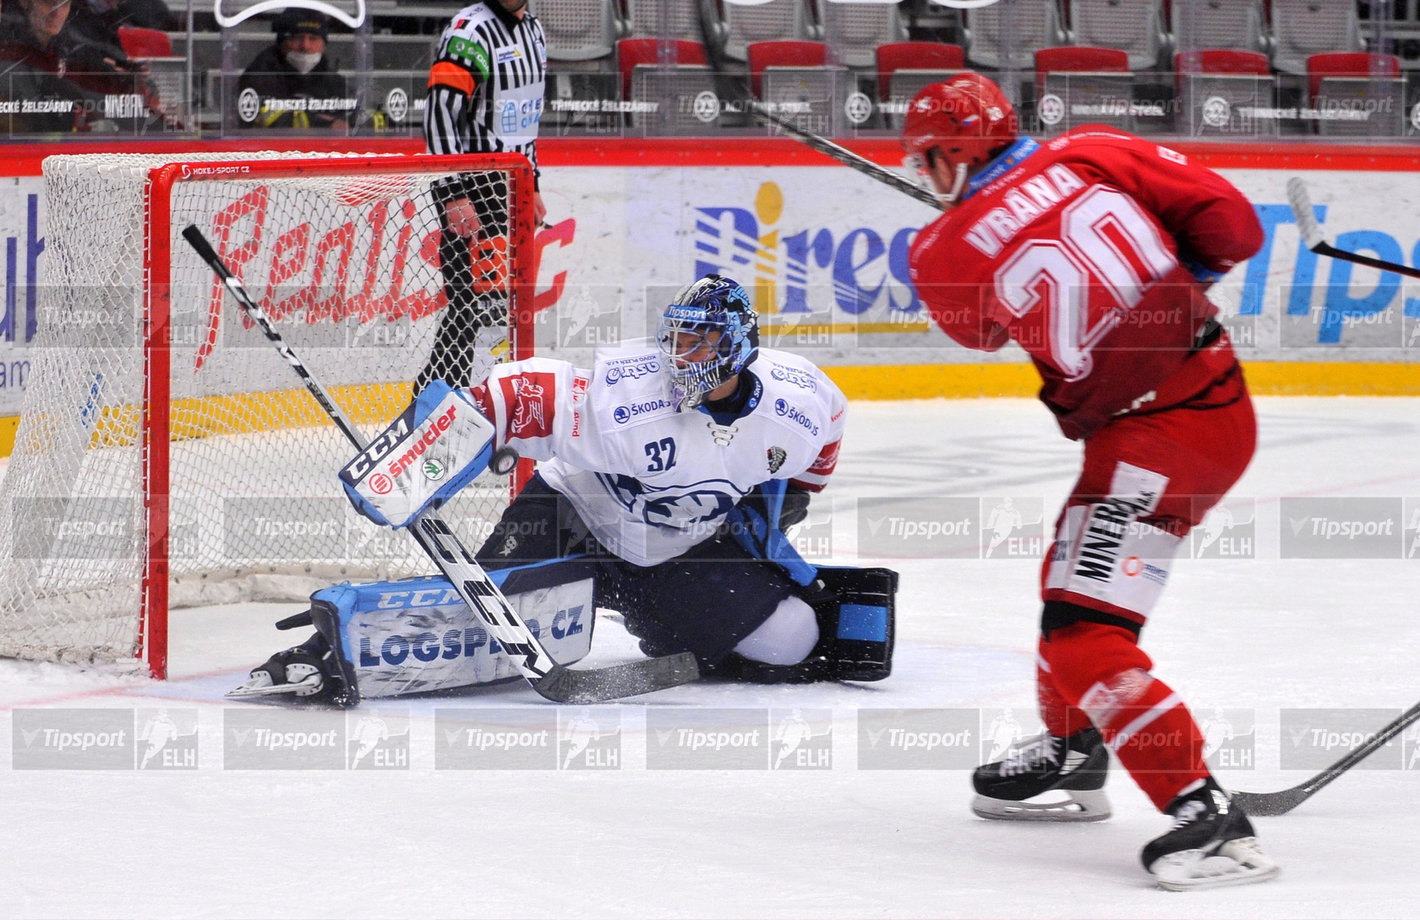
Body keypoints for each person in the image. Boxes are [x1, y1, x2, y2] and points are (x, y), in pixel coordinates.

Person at [900, 73, 1278, 890]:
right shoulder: (1093, 149)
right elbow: (1237, 229)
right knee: (1065, 584)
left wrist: (970, 223)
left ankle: (1204, 814)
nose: (925, 178)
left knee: (1082, 634)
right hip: (1209, 399)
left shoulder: (937, 252)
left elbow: (979, 330)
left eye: (929, 163)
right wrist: (1181, 276)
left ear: (952, 153)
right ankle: (1075, 750)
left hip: (1160, 440)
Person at [235, 274, 895, 703]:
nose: (682, 354)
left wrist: (779, 502)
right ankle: (329, 645)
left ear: (738, 348)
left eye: (701, 341)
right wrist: (420, 461)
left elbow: (824, 439)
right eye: (678, 338)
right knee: (469, 630)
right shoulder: (629, 399)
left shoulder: (797, 400)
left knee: (795, 640)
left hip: (675, 554)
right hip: (569, 517)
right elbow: (512, 398)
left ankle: (672, 622)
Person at [416, 0, 548, 395]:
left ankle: (477, 403)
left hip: (514, 189)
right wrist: (453, 193)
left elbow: (526, 118)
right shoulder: (469, 32)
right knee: (472, 306)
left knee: (499, 309)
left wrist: (534, 183)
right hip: (475, 188)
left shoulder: (534, 31)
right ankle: (440, 400)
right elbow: (439, 113)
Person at [0, 0, 146, 133]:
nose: (56, 12)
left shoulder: (73, 48)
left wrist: (131, 83)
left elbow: (110, 92)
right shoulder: (9, 51)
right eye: (49, 3)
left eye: (64, 4)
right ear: (26, 2)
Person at [236, 8, 351, 131]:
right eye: (298, 38)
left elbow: (358, 112)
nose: (305, 46)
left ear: (323, 44)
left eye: (313, 39)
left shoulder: (329, 76)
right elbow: (264, 117)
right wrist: (324, 124)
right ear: (282, 42)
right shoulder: (260, 73)